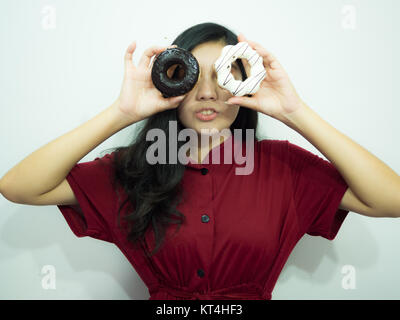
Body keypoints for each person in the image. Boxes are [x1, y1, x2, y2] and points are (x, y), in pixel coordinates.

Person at [1, 22, 399, 300]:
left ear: (244, 83)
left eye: (223, 76)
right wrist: (121, 113)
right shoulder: (134, 171)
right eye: (191, 76)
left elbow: (391, 199)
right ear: (169, 79)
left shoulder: (285, 169)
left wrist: (294, 111)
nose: (207, 93)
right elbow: (18, 186)